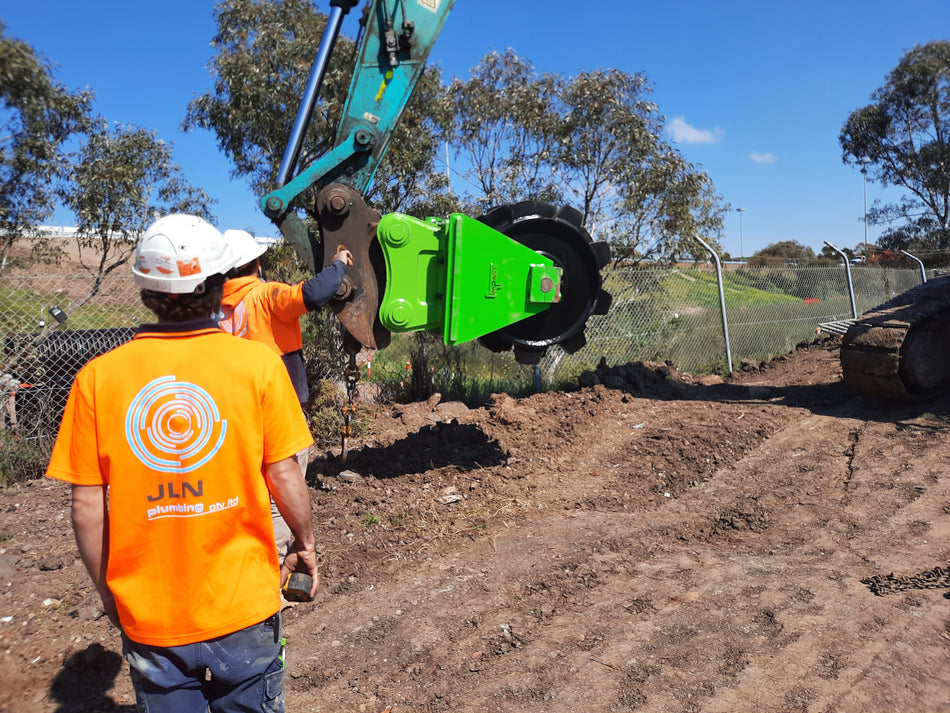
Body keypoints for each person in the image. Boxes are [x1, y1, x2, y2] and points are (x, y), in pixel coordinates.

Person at [45, 214, 319, 713]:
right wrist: (305, 544)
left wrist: (109, 592)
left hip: (151, 617)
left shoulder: (96, 380)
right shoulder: (256, 366)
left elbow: (87, 508)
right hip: (243, 608)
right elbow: (284, 473)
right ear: (220, 283)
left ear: (146, 290)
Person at [218, 229, 352, 555]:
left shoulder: (214, 308)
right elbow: (314, 293)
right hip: (278, 409)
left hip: (232, 411)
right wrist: (339, 264)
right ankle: (276, 568)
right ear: (257, 262)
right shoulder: (265, 296)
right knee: (283, 490)